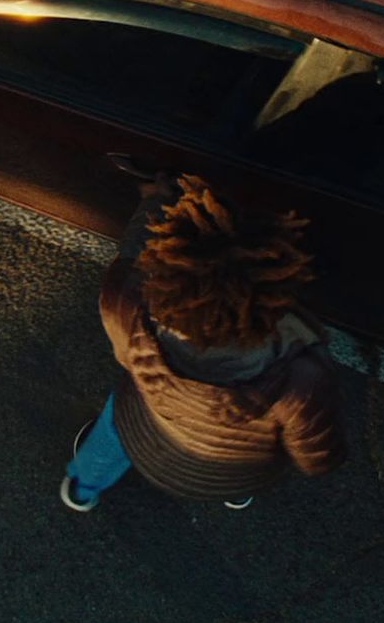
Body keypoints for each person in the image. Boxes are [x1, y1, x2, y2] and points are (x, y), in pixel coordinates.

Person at [60, 172, 346, 512]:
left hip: (148, 434)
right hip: (231, 468)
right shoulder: (299, 377)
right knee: (244, 466)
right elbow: (315, 451)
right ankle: (235, 493)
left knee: (115, 423)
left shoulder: (129, 308)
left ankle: (83, 487)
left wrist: (155, 199)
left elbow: (132, 259)